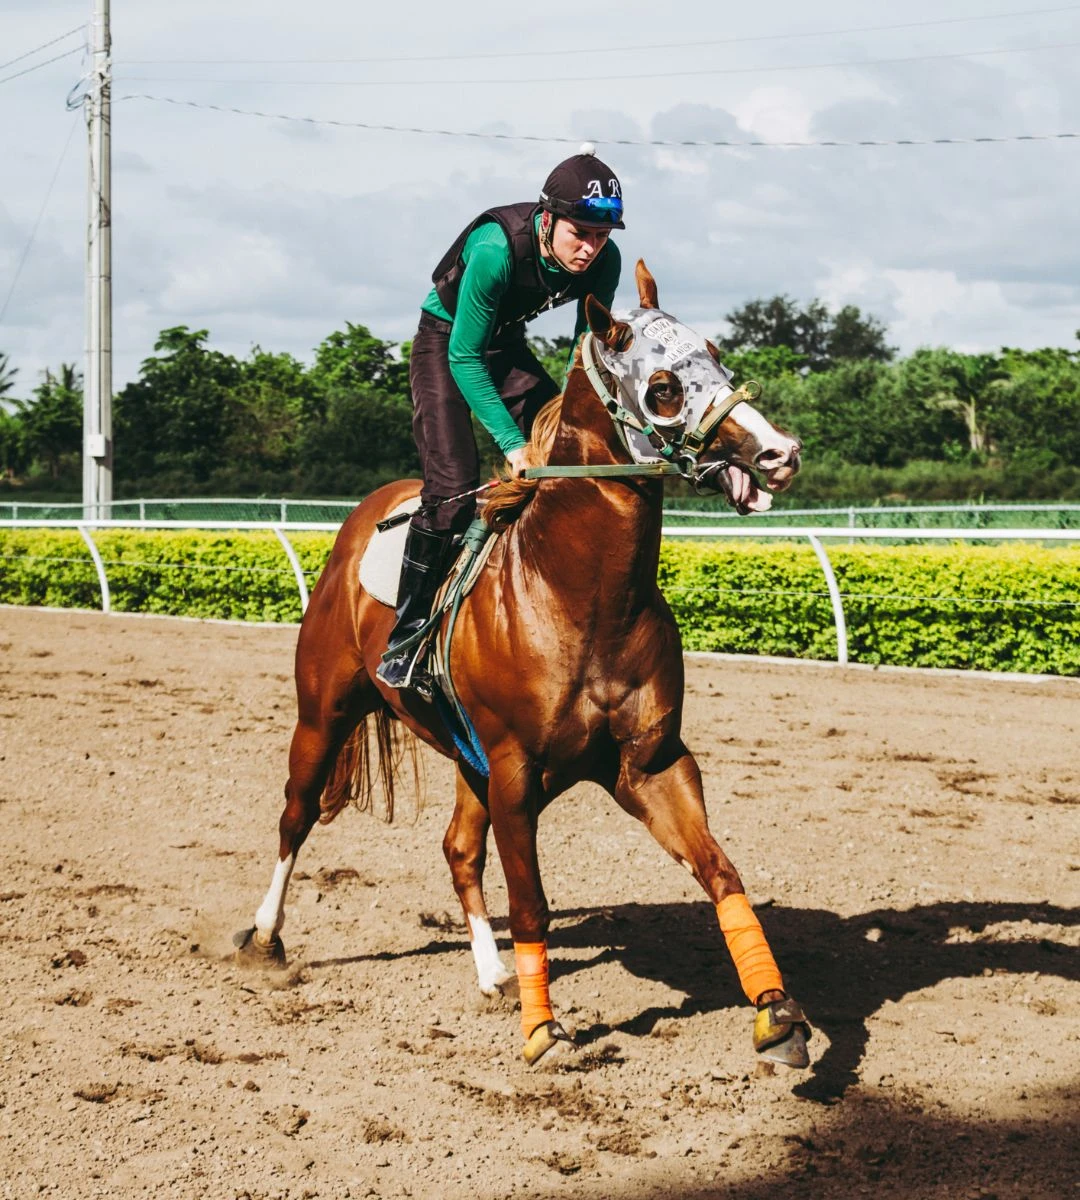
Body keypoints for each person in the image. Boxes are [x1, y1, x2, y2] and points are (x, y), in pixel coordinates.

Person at [377, 144, 624, 694]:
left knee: (564, 460)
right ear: (548, 218)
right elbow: (465, 355)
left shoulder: (606, 263)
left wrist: (569, 415)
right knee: (454, 488)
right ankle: (408, 635)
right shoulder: (495, 248)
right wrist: (514, 444)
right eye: (578, 233)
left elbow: (585, 349)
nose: (589, 249)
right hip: (445, 343)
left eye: (600, 236)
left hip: (504, 344)